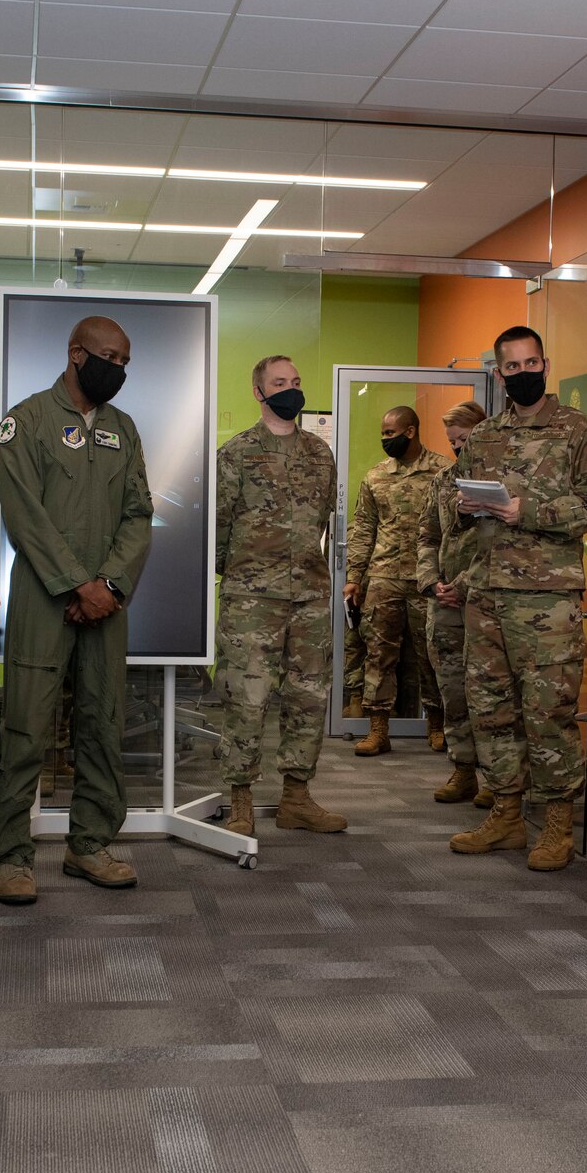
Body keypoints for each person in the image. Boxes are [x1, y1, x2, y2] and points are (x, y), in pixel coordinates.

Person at [0, 316, 153, 905]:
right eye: (110, 357)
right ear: (76, 353)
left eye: (127, 362)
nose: (118, 369)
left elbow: (138, 515)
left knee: (103, 724)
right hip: (43, 596)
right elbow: (23, 514)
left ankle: (90, 845)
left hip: (107, 604)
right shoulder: (24, 422)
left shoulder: (123, 430)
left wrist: (108, 585)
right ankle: (11, 854)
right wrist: (77, 584)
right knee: (26, 726)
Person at [449, 327, 587, 871]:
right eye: (512, 367)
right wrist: (464, 505)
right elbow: (455, 495)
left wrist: (529, 510)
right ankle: (505, 814)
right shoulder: (484, 436)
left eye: (531, 363)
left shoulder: (576, 431)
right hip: (488, 591)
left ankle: (558, 826)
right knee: (491, 709)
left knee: (549, 713)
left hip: (547, 599)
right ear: (499, 374)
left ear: (545, 364)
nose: (522, 373)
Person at [213, 355, 348, 836]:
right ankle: (241, 800)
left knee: (308, 697)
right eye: (278, 383)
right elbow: (218, 526)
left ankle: (297, 796)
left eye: (295, 380)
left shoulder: (319, 454)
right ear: (259, 392)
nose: (290, 389)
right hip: (252, 599)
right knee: (246, 699)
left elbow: (325, 521)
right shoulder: (237, 453)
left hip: (310, 596)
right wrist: (234, 575)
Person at [345, 406, 452, 756]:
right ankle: (378, 730)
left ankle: (437, 726)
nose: (384, 439)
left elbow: (452, 528)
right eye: (383, 433)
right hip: (384, 575)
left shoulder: (442, 471)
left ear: (410, 431)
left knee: (431, 654)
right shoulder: (376, 476)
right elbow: (363, 529)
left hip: (427, 577)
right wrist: (354, 577)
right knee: (379, 655)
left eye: (391, 433)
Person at [418, 400, 490, 809]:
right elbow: (426, 536)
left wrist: (463, 584)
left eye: (465, 439)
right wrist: (432, 582)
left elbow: (503, 546)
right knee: (453, 691)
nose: (458, 448)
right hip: (444, 604)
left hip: (483, 601)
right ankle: (463, 771)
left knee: (492, 695)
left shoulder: (502, 482)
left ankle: (499, 779)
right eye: (452, 442)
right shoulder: (444, 481)